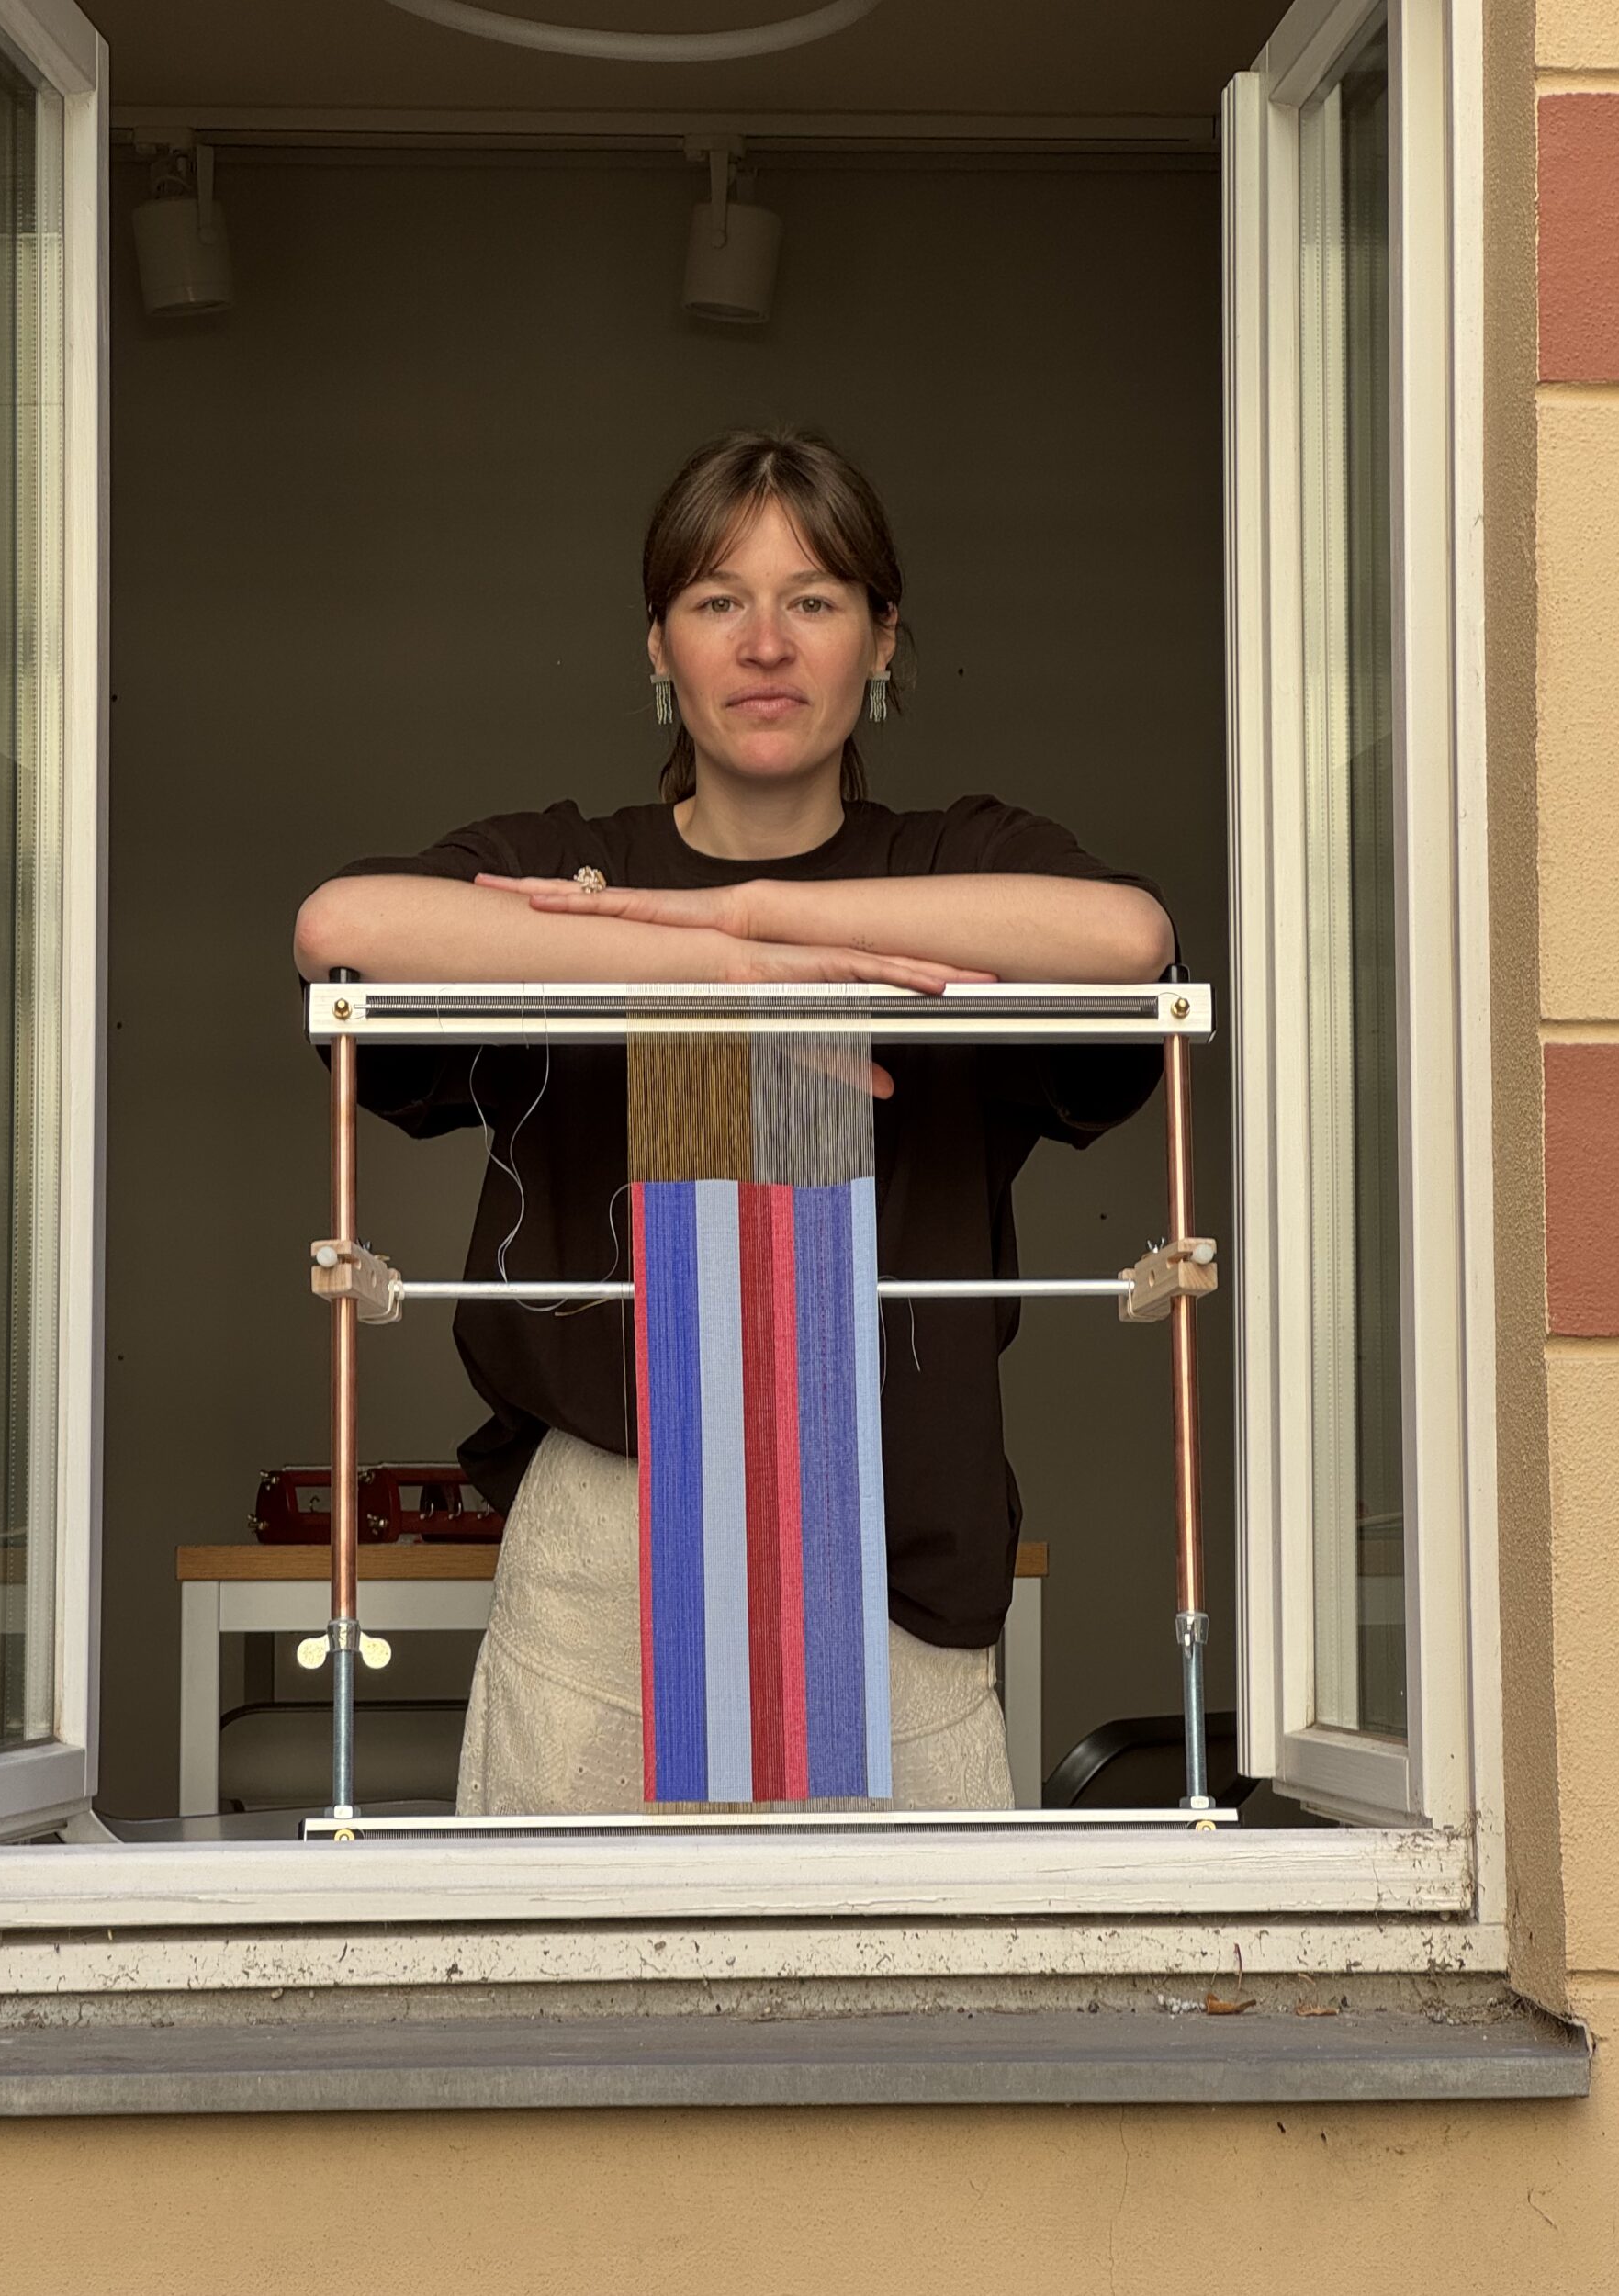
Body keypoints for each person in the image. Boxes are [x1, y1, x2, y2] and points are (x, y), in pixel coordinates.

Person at [294, 428, 1175, 1816]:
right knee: (570, 1955)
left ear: (883, 640)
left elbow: (1129, 940)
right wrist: (718, 972)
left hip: (892, 1530)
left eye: (814, 599)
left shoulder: (954, 858)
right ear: (659, 645)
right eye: (719, 601)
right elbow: (340, 925)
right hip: (608, 1539)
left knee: (903, 1961)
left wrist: (758, 913)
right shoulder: (575, 863)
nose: (767, 644)